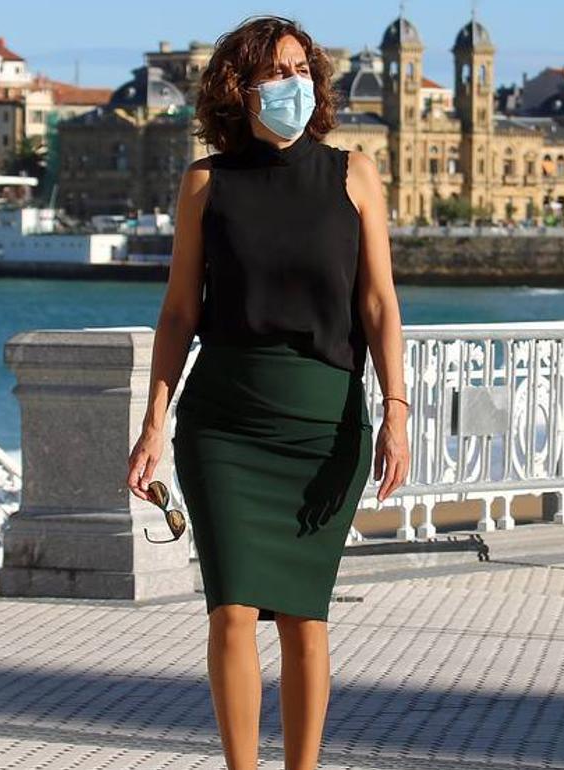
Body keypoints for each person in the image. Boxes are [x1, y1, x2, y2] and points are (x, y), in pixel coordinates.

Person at [123, 14, 410, 770]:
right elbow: (180, 312)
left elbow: (379, 304)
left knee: (304, 618)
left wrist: (396, 414)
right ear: (238, 89)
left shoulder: (354, 174)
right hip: (224, 422)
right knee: (231, 610)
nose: (294, 84)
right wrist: (153, 425)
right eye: (276, 73)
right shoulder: (206, 184)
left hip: (325, 422)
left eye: (302, 69)